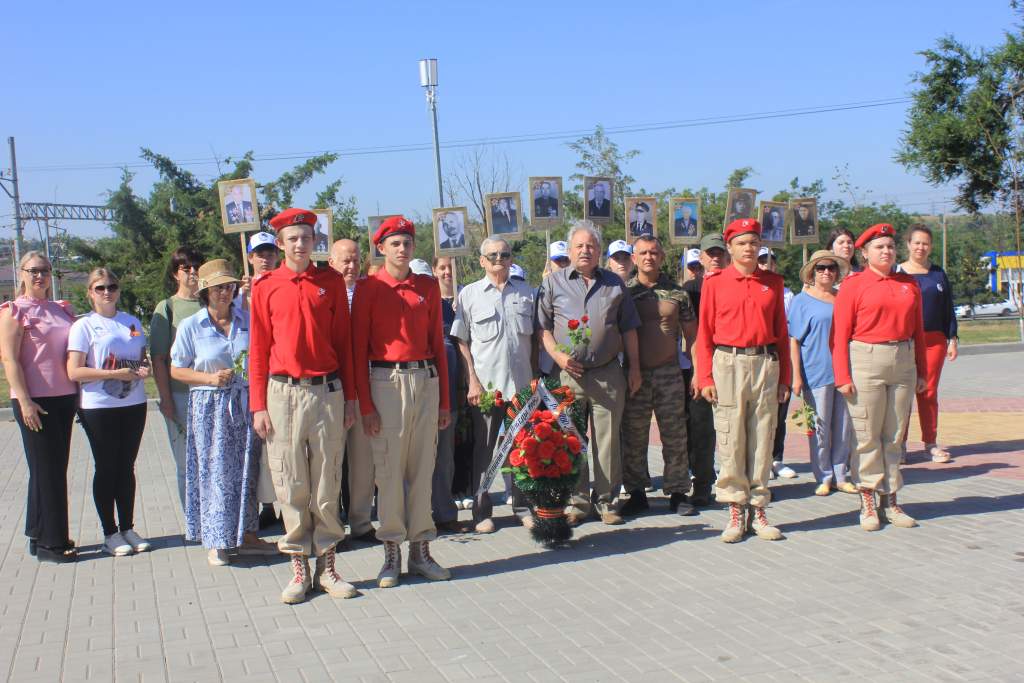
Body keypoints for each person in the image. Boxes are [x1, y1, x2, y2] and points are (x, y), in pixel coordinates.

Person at [249, 208, 358, 604]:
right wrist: (258, 404)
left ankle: (328, 567)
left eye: (307, 238)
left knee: (327, 479)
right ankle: (298, 568)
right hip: (283, 394)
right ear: (280, 244)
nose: (300, 244)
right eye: (292, 238)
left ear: (316, 242)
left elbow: (344, 345)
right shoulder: (265, 287)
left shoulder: (328, 281)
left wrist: (350, 398)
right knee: (290, 481)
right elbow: (258, 349)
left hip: (326, 391)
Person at [351, 215, 452, 588]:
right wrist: (365, 405)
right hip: (385, 382)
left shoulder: (426, 285)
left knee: (423, 468)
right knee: (390, 473)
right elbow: (358, 348)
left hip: (424, 379)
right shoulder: (368, 288)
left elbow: (437, 345)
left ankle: (421, 550)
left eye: (407, 242)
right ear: (381, 248)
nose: (402, 248)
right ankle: (391, 550)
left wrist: (443, 401)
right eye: (394, 243)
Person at [170, 260, 277, 566]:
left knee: (247, 469)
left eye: (229, 287)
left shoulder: (247, 319)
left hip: (244, 402)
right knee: (215, 472)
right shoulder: (193, 325)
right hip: (211, 406)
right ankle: (216, 540)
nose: (224, 293)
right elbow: (176, 369)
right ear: (205, 291)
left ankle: (247, 534)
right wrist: (208, 378)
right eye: (218, 288)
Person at [537, 220, 642, 526]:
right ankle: (578, 503)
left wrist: (634, 367)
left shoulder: (614, 284)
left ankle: (608, 501)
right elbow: (542, 327)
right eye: (579, 246)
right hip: (569, 375)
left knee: (608, 442)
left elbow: (629, 329)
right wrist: (557, 355)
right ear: (570, 250)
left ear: (599, 251)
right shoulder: (553, 283)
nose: (585, 250)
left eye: (591, 246)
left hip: (608, 374)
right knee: (572, 439)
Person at [696, 219, 791, 542]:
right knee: (731, 437)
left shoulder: (773, 283)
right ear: (730, 248)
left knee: (763, 436)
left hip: (765, 363)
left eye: (753, 242)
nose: (749, 248)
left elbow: (781, 333)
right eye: (742, 243)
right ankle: (736, 509)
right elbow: (704, 333)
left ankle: (759, 508)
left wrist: (785, 378)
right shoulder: (715, 282)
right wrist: (705, 375)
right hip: (728, 363)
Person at [832, 223, 927, 532]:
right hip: (866, 359)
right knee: (867, 434)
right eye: (878, 247)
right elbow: (839, 335)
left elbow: (919, 332)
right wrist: (842, 375)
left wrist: (922, 370)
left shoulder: (908, 283)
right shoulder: (854, 284)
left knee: (895, 434)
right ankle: (869, 499)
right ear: (864, 253)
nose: (886, 251)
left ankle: (892, 498)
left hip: (902, 359)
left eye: (889, 246)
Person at [452, 238, 536, 533]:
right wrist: (472, 380)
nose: (499, 259)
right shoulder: (469, 295)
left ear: (511, 259)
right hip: (488, 389)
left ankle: (524, 507)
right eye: (493, 255)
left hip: (523, 388)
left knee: (522, 450)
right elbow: (462, 341)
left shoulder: (527, 293)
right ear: (482, 261)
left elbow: (536, 339)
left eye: (505, 254)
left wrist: (537, 378)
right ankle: (481, 511)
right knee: (485, 452)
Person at [67, 268, 152, 557]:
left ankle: (128, 527)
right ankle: (109, 533)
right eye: (100, 287)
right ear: (90, 292)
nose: (107, 292)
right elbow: (74, 371)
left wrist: (144, 369)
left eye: (112, 287)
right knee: (107, 467)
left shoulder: (131, 322)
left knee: (126, 467)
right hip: (99, 407)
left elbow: (142, 357)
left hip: (133, 403)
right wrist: (111, 373)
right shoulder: (84, 326)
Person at [0, 252, 79, 563]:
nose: (39, 276)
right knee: (49, 472)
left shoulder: (61, 310)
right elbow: (10, 359)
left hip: (63, 398)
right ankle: (53, 543)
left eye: (45, 270)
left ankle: (37, 531)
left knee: (50, 469)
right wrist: (24, 400)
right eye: (33, 271)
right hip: (34, 401)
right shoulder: (13, 312)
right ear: (21, 273)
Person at [619, 235, 698, 517]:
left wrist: (697, 371)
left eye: (654, 252)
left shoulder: (678, 294)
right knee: (634, 435)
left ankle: (678, 491)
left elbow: (693, 336)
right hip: (634, 374)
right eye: (643, 253)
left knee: (675, 434)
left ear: (662, 257)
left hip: (669, 373)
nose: (649, 257)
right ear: (634, 258)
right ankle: (637, 492)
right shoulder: (624, 293)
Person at [788, 251, 857, 496]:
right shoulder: (801, 301)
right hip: (815, 372)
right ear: (812, 272)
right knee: (819, 428)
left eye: (831, 268)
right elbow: (794, 340)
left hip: (844, 371)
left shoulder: (844, 298)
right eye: (821, 268)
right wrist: (795, 376)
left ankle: (841, 473)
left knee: (843, 427)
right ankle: (823, 475)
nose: (826, 272)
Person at [328, 238, 380, 544]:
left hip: (364, 385)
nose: (351, 267)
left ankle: (361, 521)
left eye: (356, 261)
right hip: (332, 387)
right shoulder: (326, 294)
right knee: (331, 460)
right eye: (345, 261)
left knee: (363, 459)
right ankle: (331, 524)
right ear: (331, 262)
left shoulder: (368, 293)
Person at [897, 225, 958, 463]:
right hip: (906, 341)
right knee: (902, 394)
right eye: (917, 243)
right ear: (908, 244)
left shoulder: (938, 273)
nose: (921, 247)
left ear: (931, 246)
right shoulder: (898, 272)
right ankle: (899, 444)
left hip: (934, 341)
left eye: (926, 243)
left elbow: (948, 308)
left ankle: (930, 443)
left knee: (928, 392)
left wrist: (952, 337)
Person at [151, 247, 203, 514]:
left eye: (196, 266)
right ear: (175, 274)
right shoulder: (168, 308)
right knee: (186, 462)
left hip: (210, 393)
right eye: (186, 268)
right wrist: (167, 399)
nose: (193, 272)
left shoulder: (212, 302)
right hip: (181, 395)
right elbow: (159, 358)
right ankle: (193, 518)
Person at [236, 231, 280, 528]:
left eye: (269, 253)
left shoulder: (281, 286)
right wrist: (243, 295)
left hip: (276, 374)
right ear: (250, 257)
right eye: (259, 254)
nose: (265, 259)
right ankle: (261, 506)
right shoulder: (239, 295)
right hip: (247, 377)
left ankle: (282, 505)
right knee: (255, 448)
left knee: (277, 445)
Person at [681, 234, 728, 507]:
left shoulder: (735, 283)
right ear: (701, 258)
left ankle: (737, 482)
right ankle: (702, 484)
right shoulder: (690, 288)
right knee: (700, 428)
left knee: (733, 427)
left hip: (731, 361)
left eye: (720, 252)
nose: (716, 258)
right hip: (699, 365)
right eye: (710, 253)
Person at [430, 256, 472, 535]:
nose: (446, 272)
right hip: (419, 395)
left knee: (445, 458)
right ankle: (418, 515)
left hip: (451, 395)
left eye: (450, 267)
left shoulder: (458, 303)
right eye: (441, 268)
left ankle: (445, 513)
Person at [758, 247, 797, 480]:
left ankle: (776, 458)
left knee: (779, 412)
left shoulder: (787, 294)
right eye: (762, 260)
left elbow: (791, 332)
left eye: (770, 260)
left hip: (780, 355)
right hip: (759, 356)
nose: (766, 264)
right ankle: (760, 460)